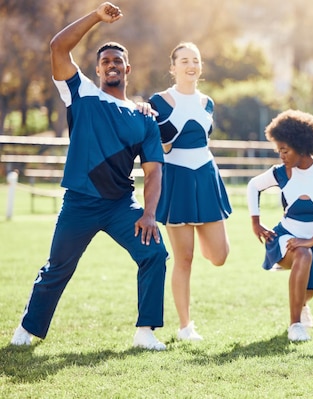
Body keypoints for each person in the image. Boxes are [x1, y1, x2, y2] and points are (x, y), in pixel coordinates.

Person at [10, 2, 169, 350]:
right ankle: (28, 328)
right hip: (80, 202)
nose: (111, 64)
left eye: (117, 61)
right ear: (97, 69)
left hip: (120, 205)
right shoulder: (80, 91)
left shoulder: (144, 117)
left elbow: (154, 171)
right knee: (57, 268)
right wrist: (97, 17)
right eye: (105, 61)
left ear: (128, 68)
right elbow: (58, 47)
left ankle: (145, 332)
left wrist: (149, 213)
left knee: (155, 253)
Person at [148, 42, 232, 342]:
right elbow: (157, 145)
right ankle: (185, 326)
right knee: (184, 259)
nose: (190, 65)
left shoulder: (208, 102)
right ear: (173, 67)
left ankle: (200, 231)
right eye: (184, 60)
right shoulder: (158, 101)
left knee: (220, 255)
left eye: (195, 60)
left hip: (206, 177)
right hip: (177, 179)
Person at [247, 109, 313, 342]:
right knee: (303, 255)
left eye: (285, 150)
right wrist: (255, 222)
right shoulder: (280, 173)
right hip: (285, 237)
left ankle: (302, 305)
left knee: (310, 290)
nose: (281, 156)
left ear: (301, 145)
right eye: (279, 150)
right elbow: (253, 186)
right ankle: (295, 325)